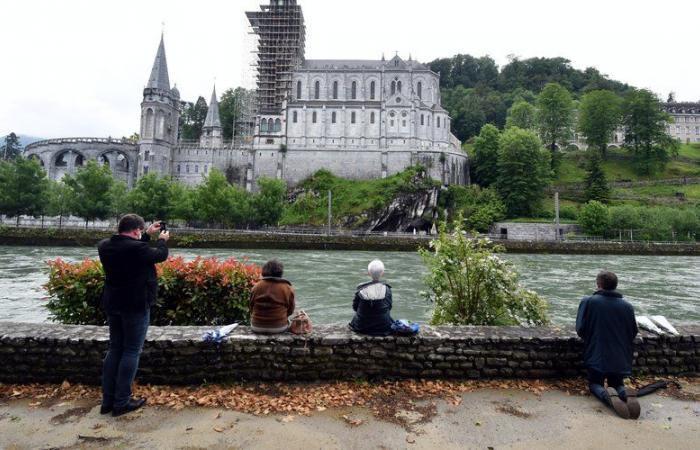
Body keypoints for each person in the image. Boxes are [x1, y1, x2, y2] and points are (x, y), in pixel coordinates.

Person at [98, 214, 169, 417]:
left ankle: (108, 401)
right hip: (136, 305)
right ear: (136, 231)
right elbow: (159, 256)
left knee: (114, 349)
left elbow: (134, 251)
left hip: (114, 303)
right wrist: (162, 240)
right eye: (141, 231)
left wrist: (146, 234)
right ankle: (122, 401)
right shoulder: (137, 248)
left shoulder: (104, 246)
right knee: (131, 351)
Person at [576, 271, 640, 419]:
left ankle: (607, 397)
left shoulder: (589, 301)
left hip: (596, 354)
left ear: (598, 285)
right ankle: (624, 393)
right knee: (617, 383)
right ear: (615, 286)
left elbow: (580, 329)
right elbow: (633, 332)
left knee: (594, 384)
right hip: (621, 358)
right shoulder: (627, 306)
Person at [349, 259, 394, 336]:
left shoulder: (361, 289)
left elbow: (355, 307)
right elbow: (389, 307)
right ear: (382, 273)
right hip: (383, 327)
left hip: (361, 327)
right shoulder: (387, 289)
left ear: (369, 273)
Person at [249, 259, 295, 334]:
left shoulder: (256, 286)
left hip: (256, 327)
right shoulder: (287, 288)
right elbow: (291, 310)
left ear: (264, 271)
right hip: (279, 327)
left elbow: (251, 306)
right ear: (280, 272)